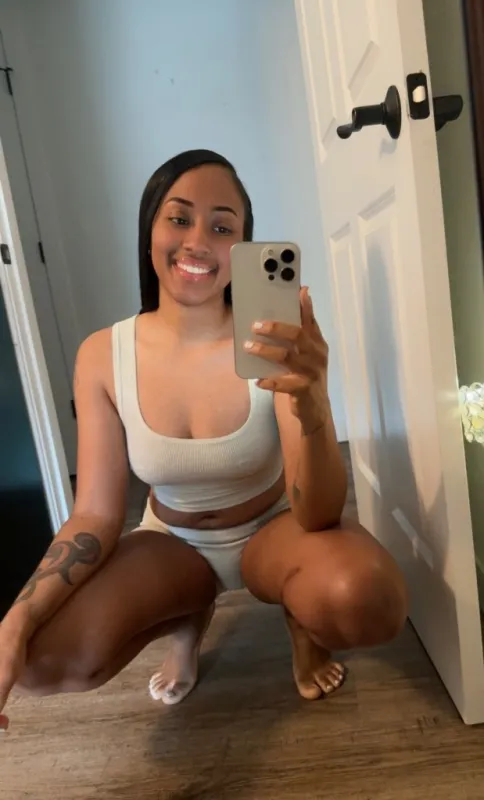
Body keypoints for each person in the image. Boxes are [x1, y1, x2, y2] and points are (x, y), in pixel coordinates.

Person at [0, 149, 408, 729]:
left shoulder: (270, 338)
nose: (197, 242)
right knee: (35, 660)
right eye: (179, 218)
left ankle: (301, 624)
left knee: (366, 601)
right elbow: (94, 515)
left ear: (243, 247)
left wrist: (314, 404)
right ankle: (186, 616)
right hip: (173, 544)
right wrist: (16, 618)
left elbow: (318, 514)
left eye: (222, 227)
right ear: (149, 230)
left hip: (275, 531)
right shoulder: (102, 355)